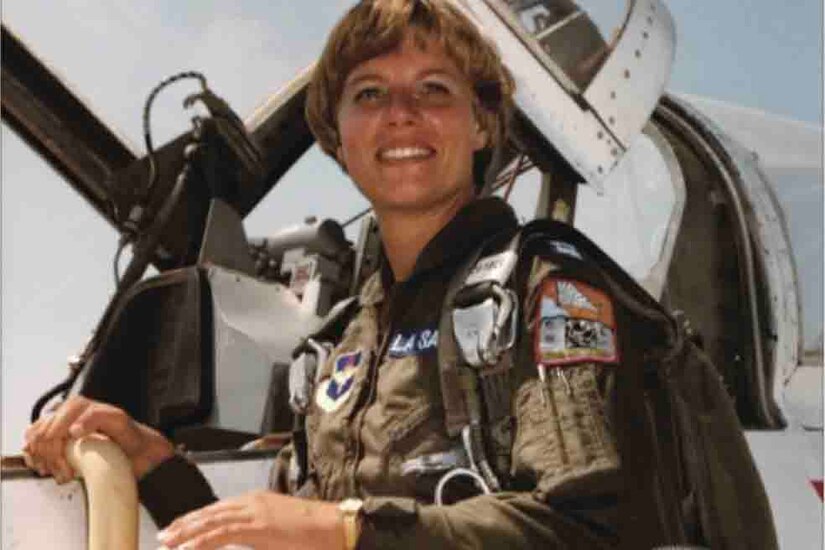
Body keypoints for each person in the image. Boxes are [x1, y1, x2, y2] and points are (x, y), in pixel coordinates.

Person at [23, 1, 621, 548]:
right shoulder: (339, 344)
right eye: (369, 95)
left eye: (434, 90)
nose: (401, 116)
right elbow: (288, 535)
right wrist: (151, 462)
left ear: (483, 125)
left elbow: (589, 528)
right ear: (337, 136)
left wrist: (349, 530)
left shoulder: (540, 292)